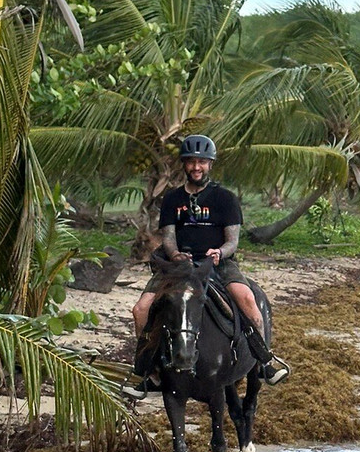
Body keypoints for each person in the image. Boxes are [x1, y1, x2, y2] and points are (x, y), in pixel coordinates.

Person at [124, 134, 289, 397]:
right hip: (178, 266)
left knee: (248, 299)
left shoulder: (225, 199)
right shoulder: (172, 199)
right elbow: (168, 236)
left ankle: (263, 361)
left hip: (218, 263)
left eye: (202, 162)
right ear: (184, 164)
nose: (196, 167)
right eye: (191, 162)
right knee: (141, 309)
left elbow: (232, 241)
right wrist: (175, 254)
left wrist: (219, 253)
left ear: (210, 164)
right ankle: (147, 372)